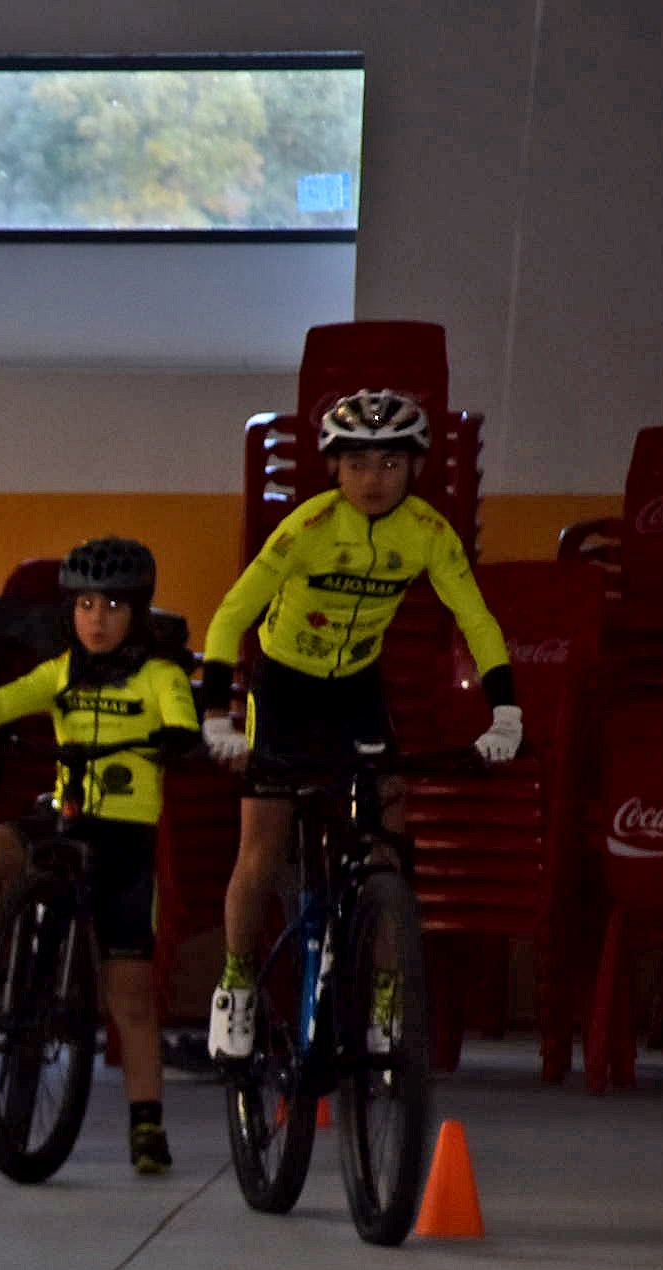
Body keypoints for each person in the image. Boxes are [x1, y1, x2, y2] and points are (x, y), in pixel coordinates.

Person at [198, 390, 521, 1060]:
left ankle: (384, 990)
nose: (374, 480)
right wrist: (217, 716)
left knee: (388, 840)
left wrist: (506, 709)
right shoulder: (307, 528)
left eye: (392, 464)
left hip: (355, 689)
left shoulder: (428, 533)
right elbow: (231, 617)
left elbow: (477, 619)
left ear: (415, 469)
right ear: (333, 470)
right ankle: (235, 986)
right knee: (260, 845)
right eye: (358, 464)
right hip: (284, 687)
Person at [0, 539, 205, 1174]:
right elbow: (9, 697)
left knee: (130, 998)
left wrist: (178, 736)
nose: (97, 618)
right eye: (84, 604)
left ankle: (146, 1125)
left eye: (113, 604)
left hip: (123, 843)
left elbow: (183, 719)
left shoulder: (159, 675)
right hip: (63, 816)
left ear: (137, 612)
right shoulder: (61, 670)